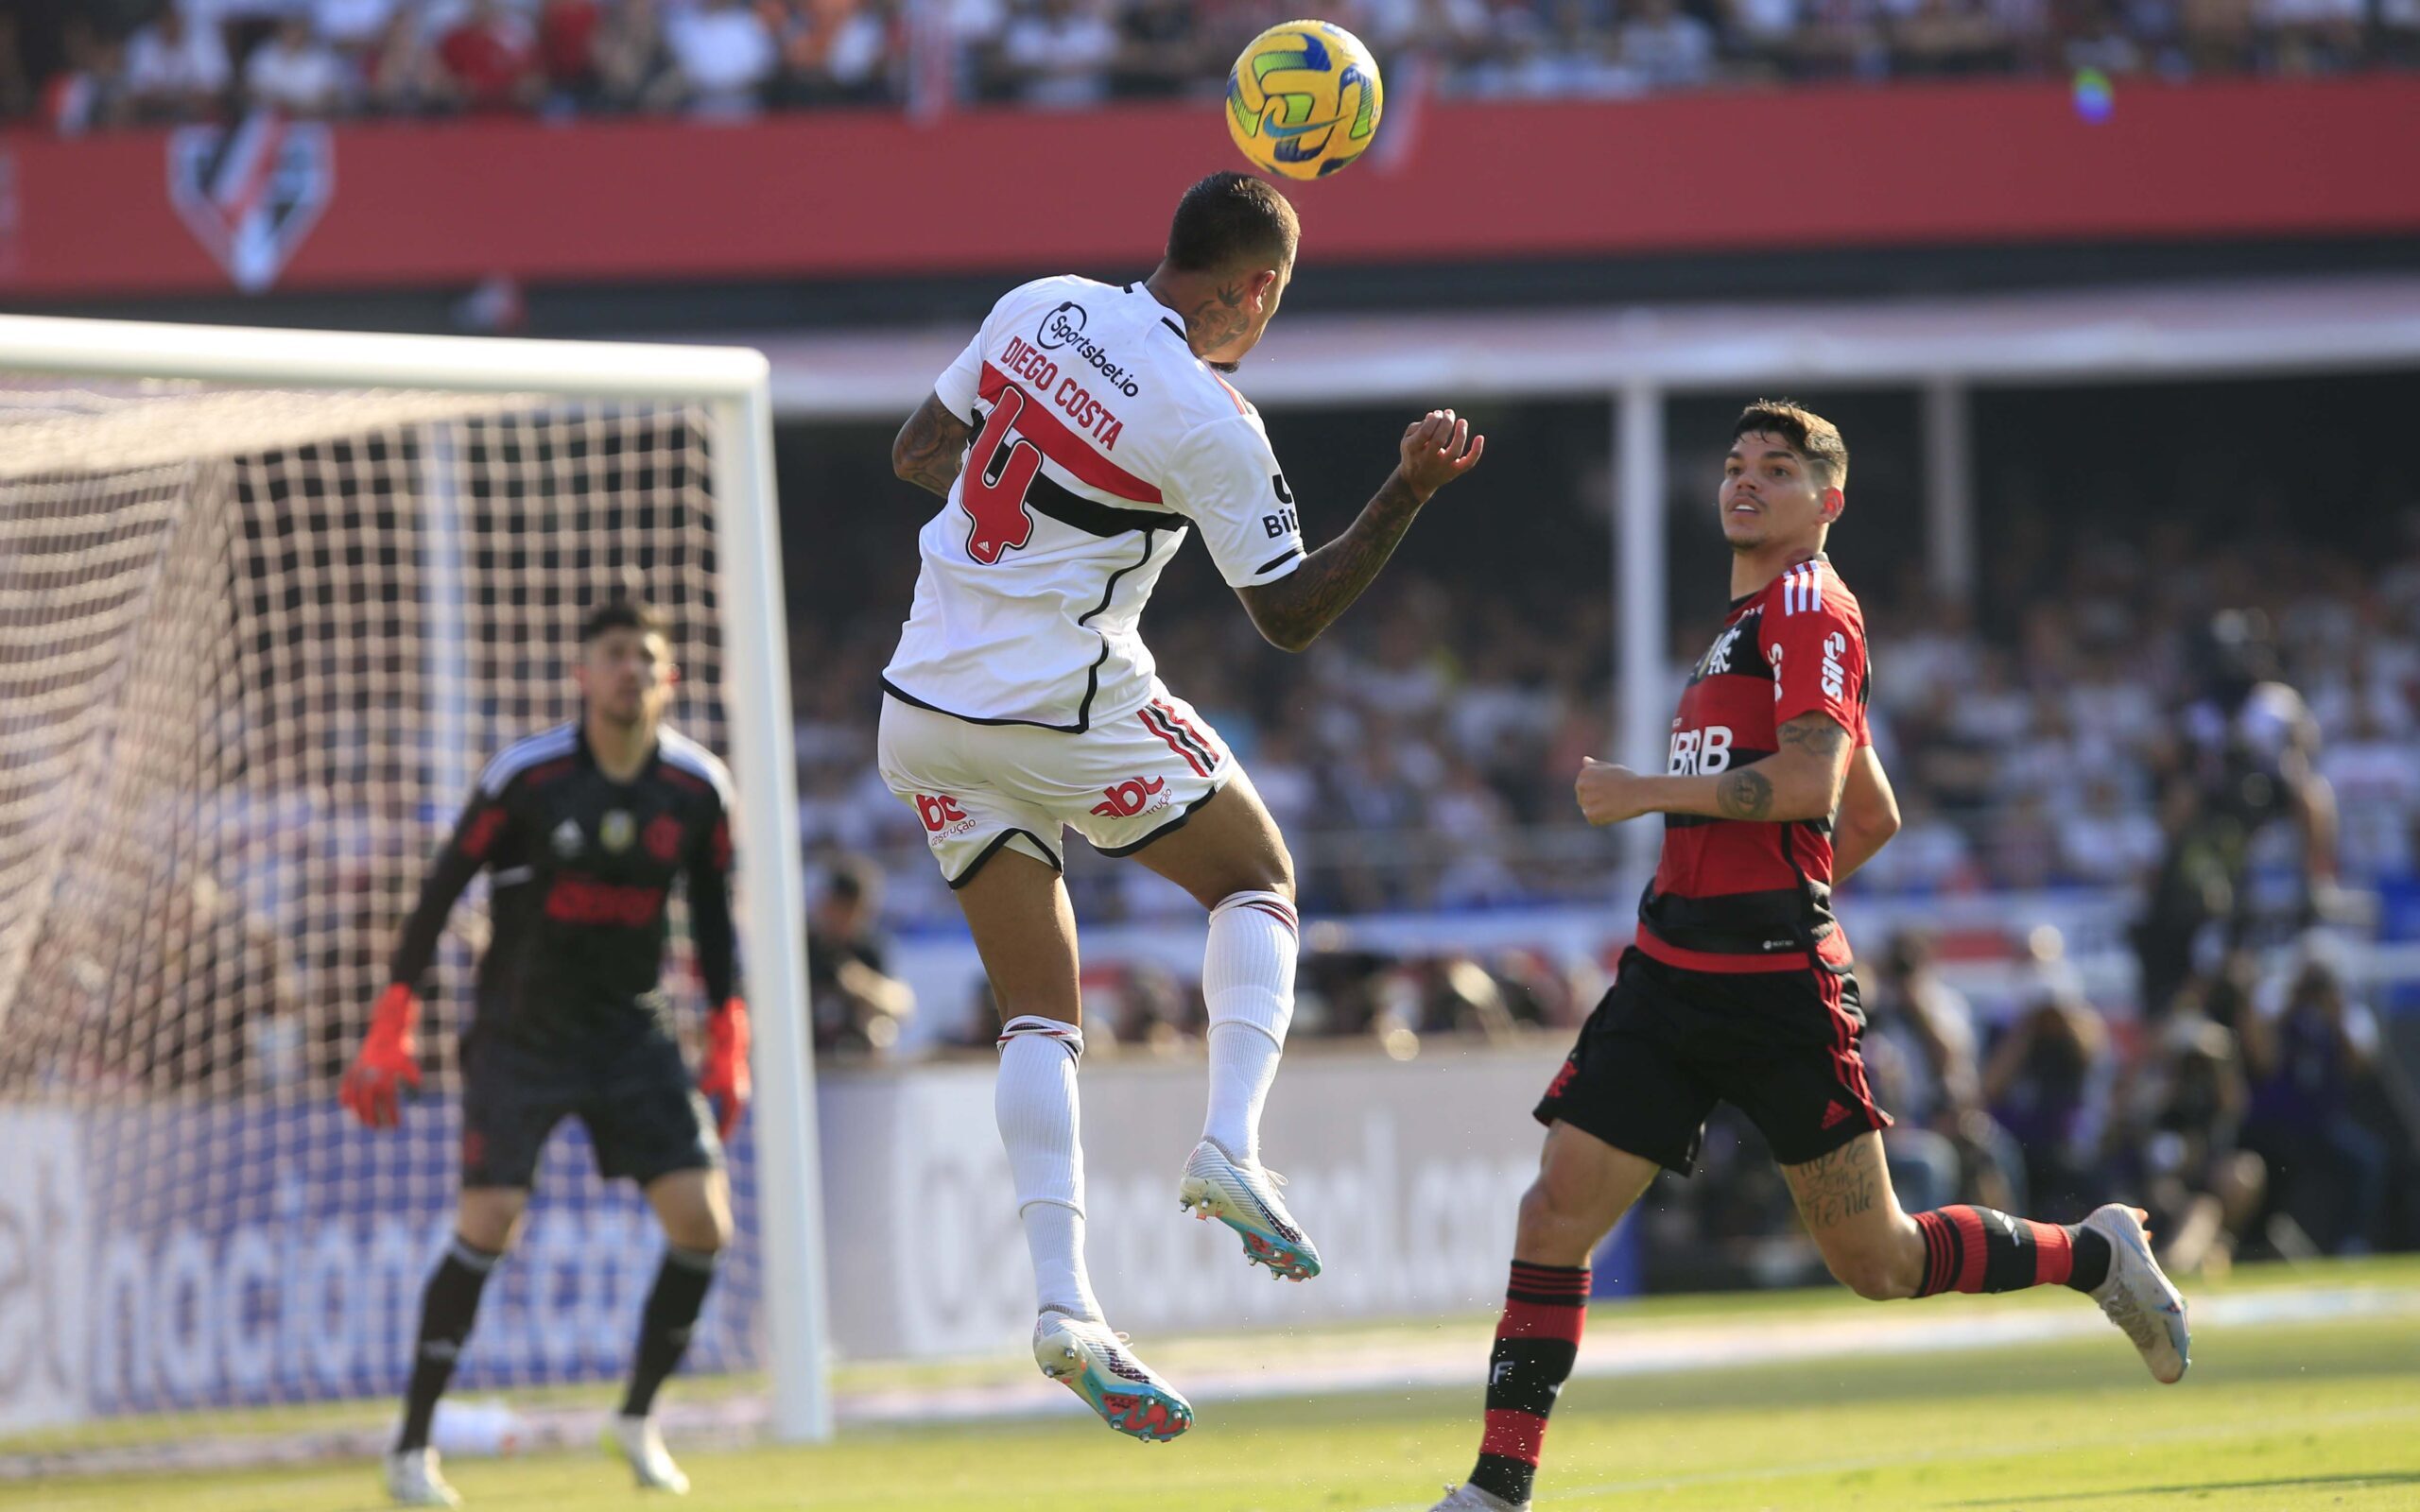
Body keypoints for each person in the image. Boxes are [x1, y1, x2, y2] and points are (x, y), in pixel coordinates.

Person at [1426, 402, 2187, 1512]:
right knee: (1554, 1215)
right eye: (1735, 465)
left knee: (1876, 1261)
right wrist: (1764, 879)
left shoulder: (1808, 605)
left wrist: (1650, 793)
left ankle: (2093, 1254)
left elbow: (1808, 789)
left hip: (1774, 988)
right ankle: (1496, 1492)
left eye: (1776, 469)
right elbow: (1866, 815)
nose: (1744, 481)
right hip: (1668, 975)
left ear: (1827, 501)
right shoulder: (1746, 622)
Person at [877, 169, 1483, 1439]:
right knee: (1256, 876)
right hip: (1056, 698)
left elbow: (920, 452)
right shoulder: (1209, 415)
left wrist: (1028, 526)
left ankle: (1064, 1307)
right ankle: (1229, 1146)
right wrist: (1410, 491)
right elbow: (1289, 614)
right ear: (1254, 290)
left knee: (1038, 1014)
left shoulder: (1036, 303)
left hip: (921, 705)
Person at [339, 600, 750, 1506]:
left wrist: (730, 1035)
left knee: (703, 1223)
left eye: (646, 657)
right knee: (489, 1223)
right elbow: (443, 890)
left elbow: (715, 922)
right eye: (613, 655)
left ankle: (636, 1417)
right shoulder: (526, 779)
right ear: (582, 673)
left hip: (630, 1032)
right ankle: (411, 1451)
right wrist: (394, 1013)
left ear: (668, 677)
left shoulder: (697, 788)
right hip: (521, 1033)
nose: (630, 671)